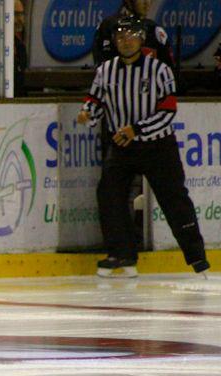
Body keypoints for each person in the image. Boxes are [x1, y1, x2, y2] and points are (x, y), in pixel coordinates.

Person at [77, 18, 209, 279]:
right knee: (110, 195)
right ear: (115, 41)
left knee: (174, 199)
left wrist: (137, 129)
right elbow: (95, 101)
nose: (126, 41)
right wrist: (87, 113)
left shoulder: (159, 70)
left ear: (141, 40)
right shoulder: (106, 70)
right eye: (121, 37)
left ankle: (196, 256)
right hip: (122, 145)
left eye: (131, 36)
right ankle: (121, 253)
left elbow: (167, 111)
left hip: (158, 146)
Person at [92, 0, 173, 69]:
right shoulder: (109, 26)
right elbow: (101, 65)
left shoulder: (154, 30)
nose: (146, 3)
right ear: (128, 1)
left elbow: (168, 67)